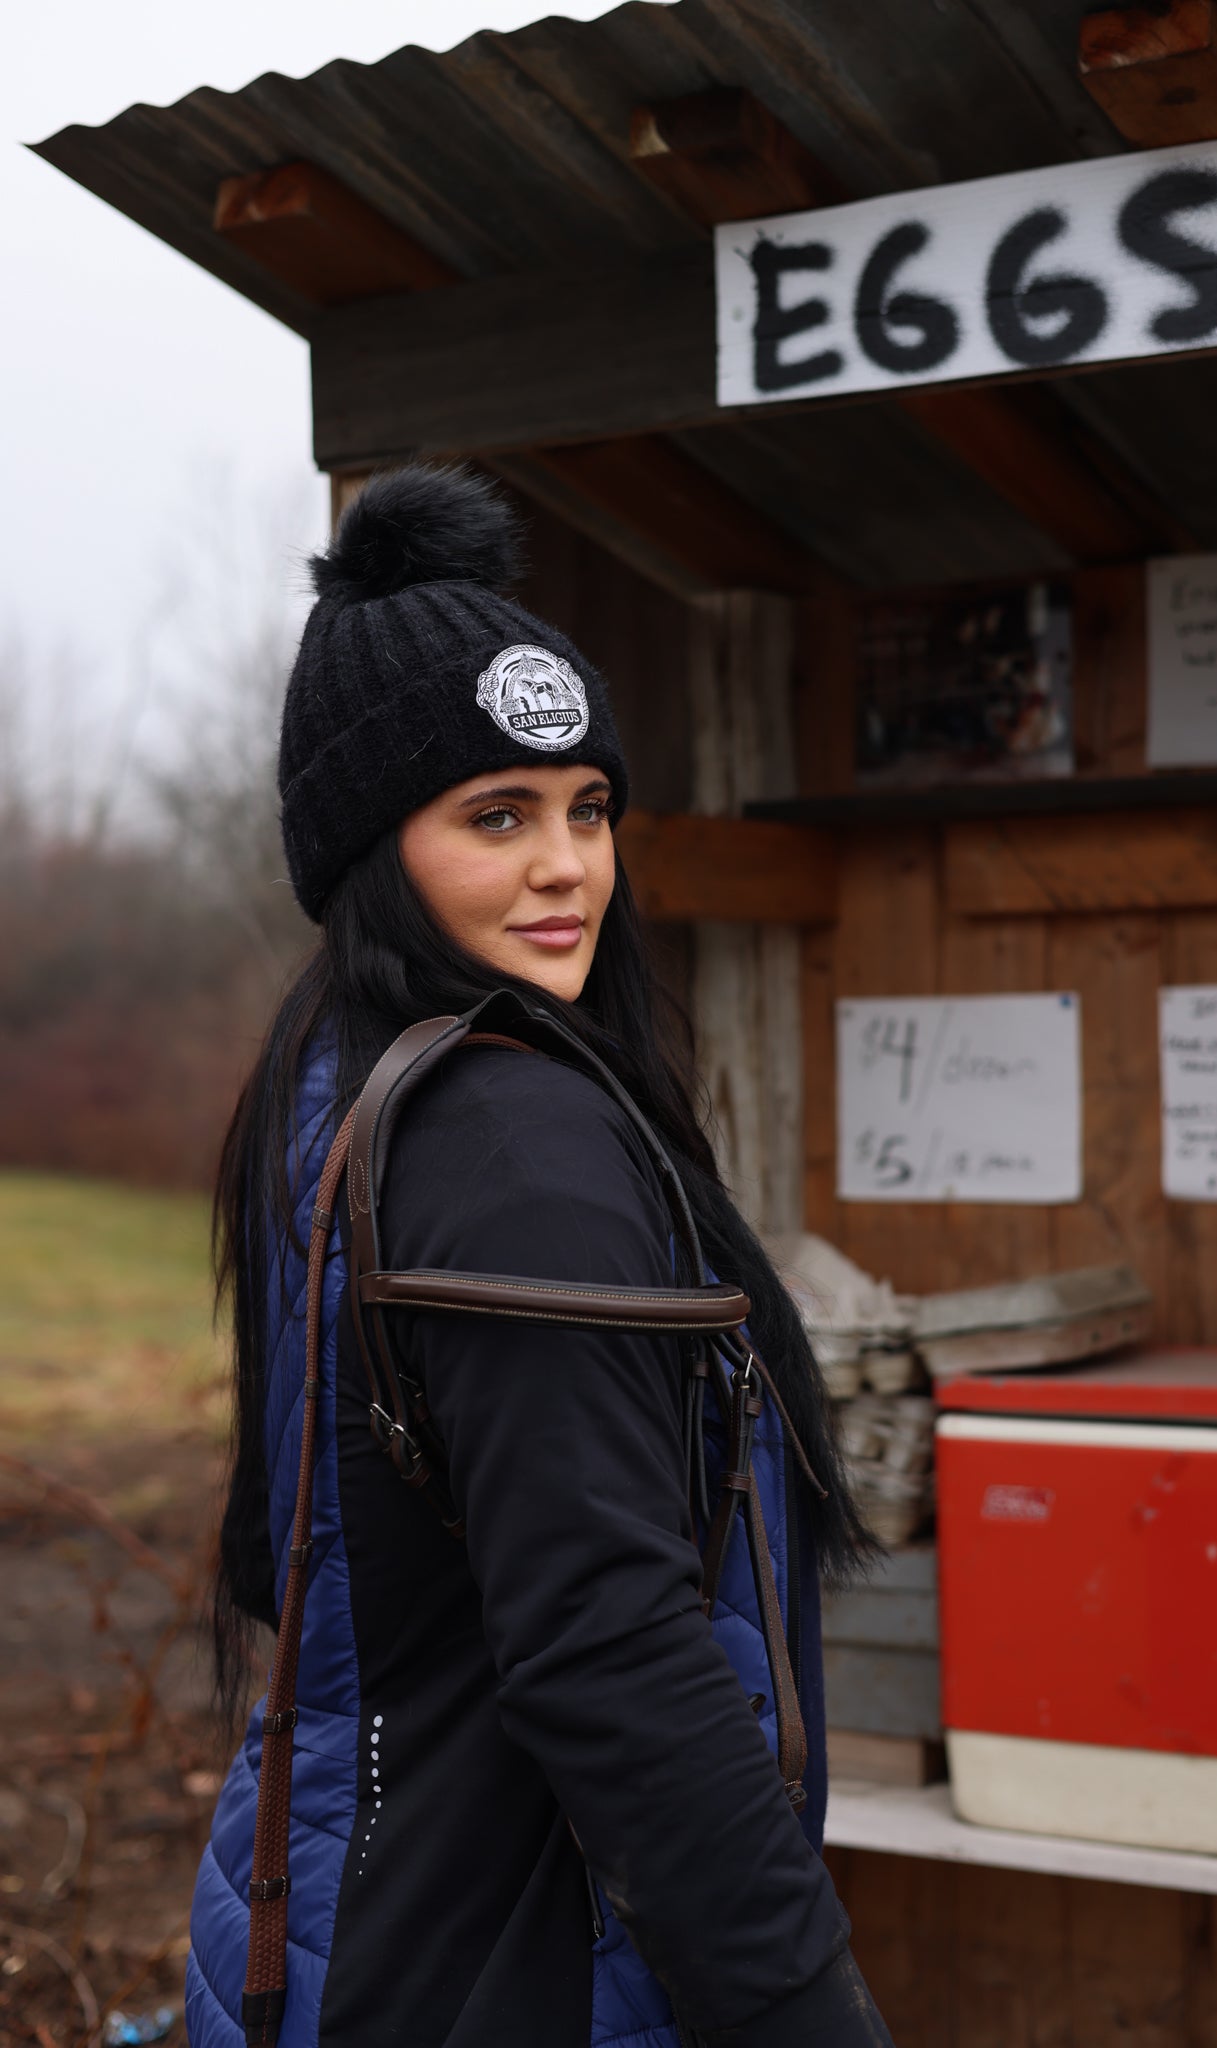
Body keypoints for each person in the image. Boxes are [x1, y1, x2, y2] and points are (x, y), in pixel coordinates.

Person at [187, 466, 893, 2048]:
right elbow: (612, 1657)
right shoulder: (510, 1144)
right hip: (505, 1960)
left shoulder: (339, 1073)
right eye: (495, 817)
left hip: (332, 1913)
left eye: (588, 809)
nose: (568, 866)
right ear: (377, 847)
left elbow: (290, 1543)